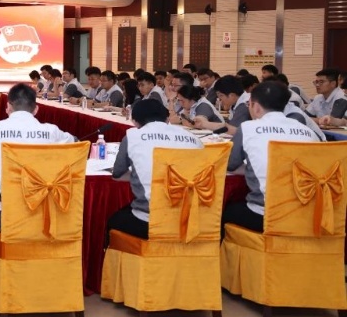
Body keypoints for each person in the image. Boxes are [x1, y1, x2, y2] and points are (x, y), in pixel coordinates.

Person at [224, 81, 321, 232]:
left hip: (266, 215)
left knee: (223, 210)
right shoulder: (308, 132)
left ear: (256, 106)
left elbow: (229, 164)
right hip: (306, 213)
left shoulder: (248, 128)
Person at [0, 84, 74, 231]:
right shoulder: (51, 131)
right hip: (47, 218)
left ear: (8, 106)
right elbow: (76, 142)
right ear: (36, 109)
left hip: (11, 217)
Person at [107, 99, 204, 239]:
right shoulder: (193, 138)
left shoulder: (132, 136)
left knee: (112, 220)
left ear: (135, 122)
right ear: (167, 118)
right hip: (190, 217)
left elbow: (117, 174)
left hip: (150, 221)